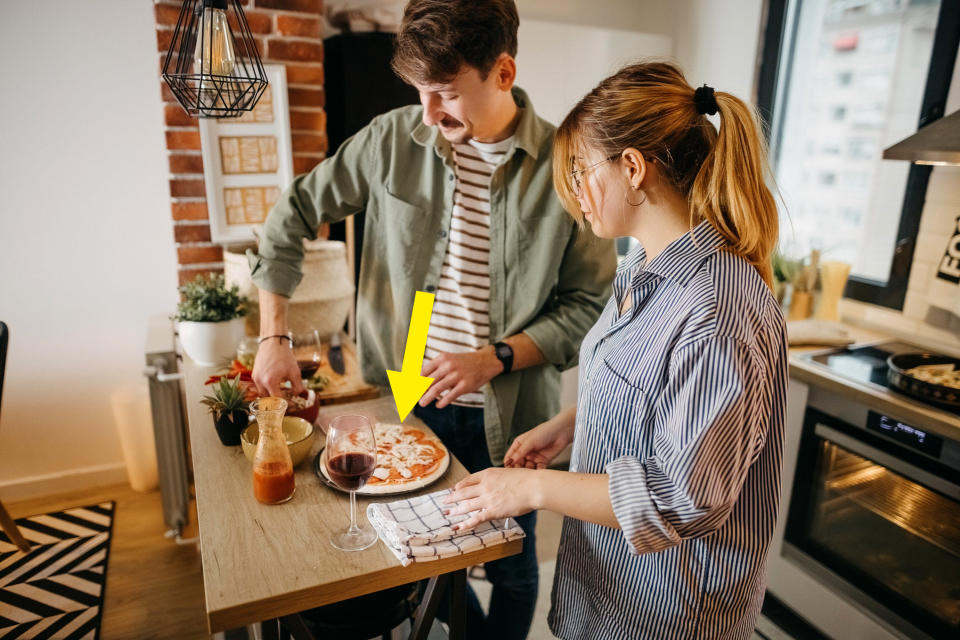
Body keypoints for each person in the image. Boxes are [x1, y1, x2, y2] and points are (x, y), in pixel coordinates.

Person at [249, 1, 617, 637]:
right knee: (420, 556)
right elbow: (292, 216)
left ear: (503, 73)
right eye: (420, 92)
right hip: (408, 400)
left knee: (511, 561)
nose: (429, 114)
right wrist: (273, 335)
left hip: (514, 414)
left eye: (446, 93)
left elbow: (590, 306)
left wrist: (495, 357)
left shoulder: (567, 166)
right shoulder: (392, 139)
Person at [444, 62, 789, 640]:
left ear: (632, 168)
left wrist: (534, 487)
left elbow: (680, 497)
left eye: (580, 170)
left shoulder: (715, 310)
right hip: (609, 594)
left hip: (667, 613)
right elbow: (655, 396)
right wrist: (572, 426)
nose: (575, 194)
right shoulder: (643, 272)